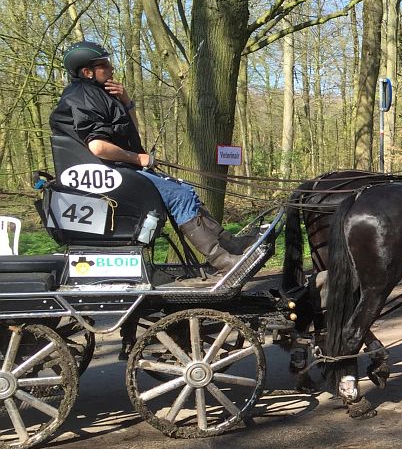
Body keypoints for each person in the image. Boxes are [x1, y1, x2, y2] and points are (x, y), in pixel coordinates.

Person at [49, 40, 253, 276]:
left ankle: (229, 245)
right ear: (87, 72)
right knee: (179, 195)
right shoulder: (84, 96)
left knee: (184, 189)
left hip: (120, 168)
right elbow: (98, 147)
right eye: (104, 64)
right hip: (111, 171)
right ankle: (223, 260)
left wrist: (127, 102)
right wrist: (138, 159)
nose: (111, 68)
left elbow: (130, 131)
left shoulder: (97, 94)